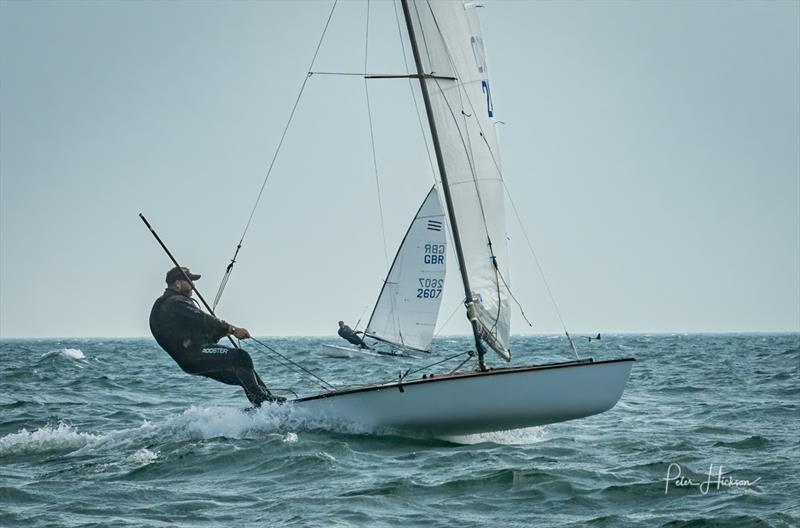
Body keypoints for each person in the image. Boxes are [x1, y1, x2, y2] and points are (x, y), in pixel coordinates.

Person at [149, 266, 282, 407]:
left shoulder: (164, 304)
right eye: (190, 281)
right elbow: (202, 318)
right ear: (178, 283)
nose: (193, 285)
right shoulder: (175, 302)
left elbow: (197, 328)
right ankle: (265, 402)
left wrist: (219, 332)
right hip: (195, 354)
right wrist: (232, 329)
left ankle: (266, 404)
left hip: (189, 361)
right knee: (241, 357)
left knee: (242, 373)